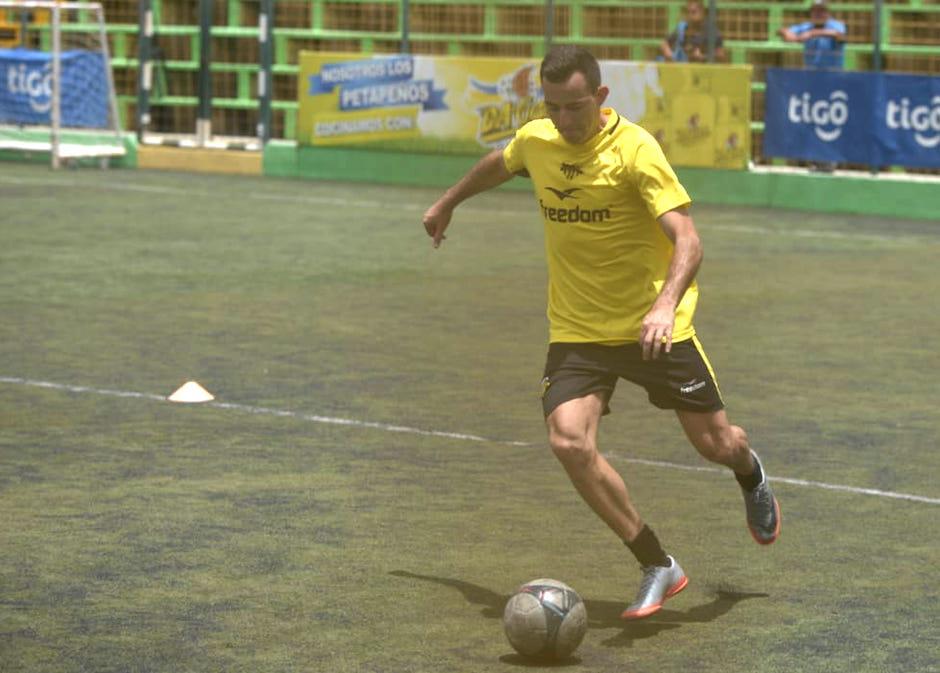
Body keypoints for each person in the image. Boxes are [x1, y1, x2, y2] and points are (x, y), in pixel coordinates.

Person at [421, 45, 780, 621]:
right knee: (568, 441)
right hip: (578, 329)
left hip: (652, 327)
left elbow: (688, 241)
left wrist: (664, 306)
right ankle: (657, 562)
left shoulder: (636, 150)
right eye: (554, 107)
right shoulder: (537, 140)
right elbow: (501, 161)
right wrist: (447, 203)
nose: (564, 119)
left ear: (601, 97)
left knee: (715, 444)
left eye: (576, 106)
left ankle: (749, 469)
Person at [778, 0, 846, 70]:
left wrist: (811, 33)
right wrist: (788, 34)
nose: (818, 14)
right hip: (811, 71)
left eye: (821, 10)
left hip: (832, 71)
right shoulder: (807, 26)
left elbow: (840, 36)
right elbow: (782, 30)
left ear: (828, 13)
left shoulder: (836, 25)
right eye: (815, 11)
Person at [659, 0, 727, 64]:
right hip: (684, 67)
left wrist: (703, 57)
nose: (690, 16)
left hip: (704, 68)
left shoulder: (711, 31)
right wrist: (669, 55)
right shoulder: (682, 28)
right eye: (688, 12)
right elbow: (664, 44)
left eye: (693, 12)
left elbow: (722, 56)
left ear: (702, 12)